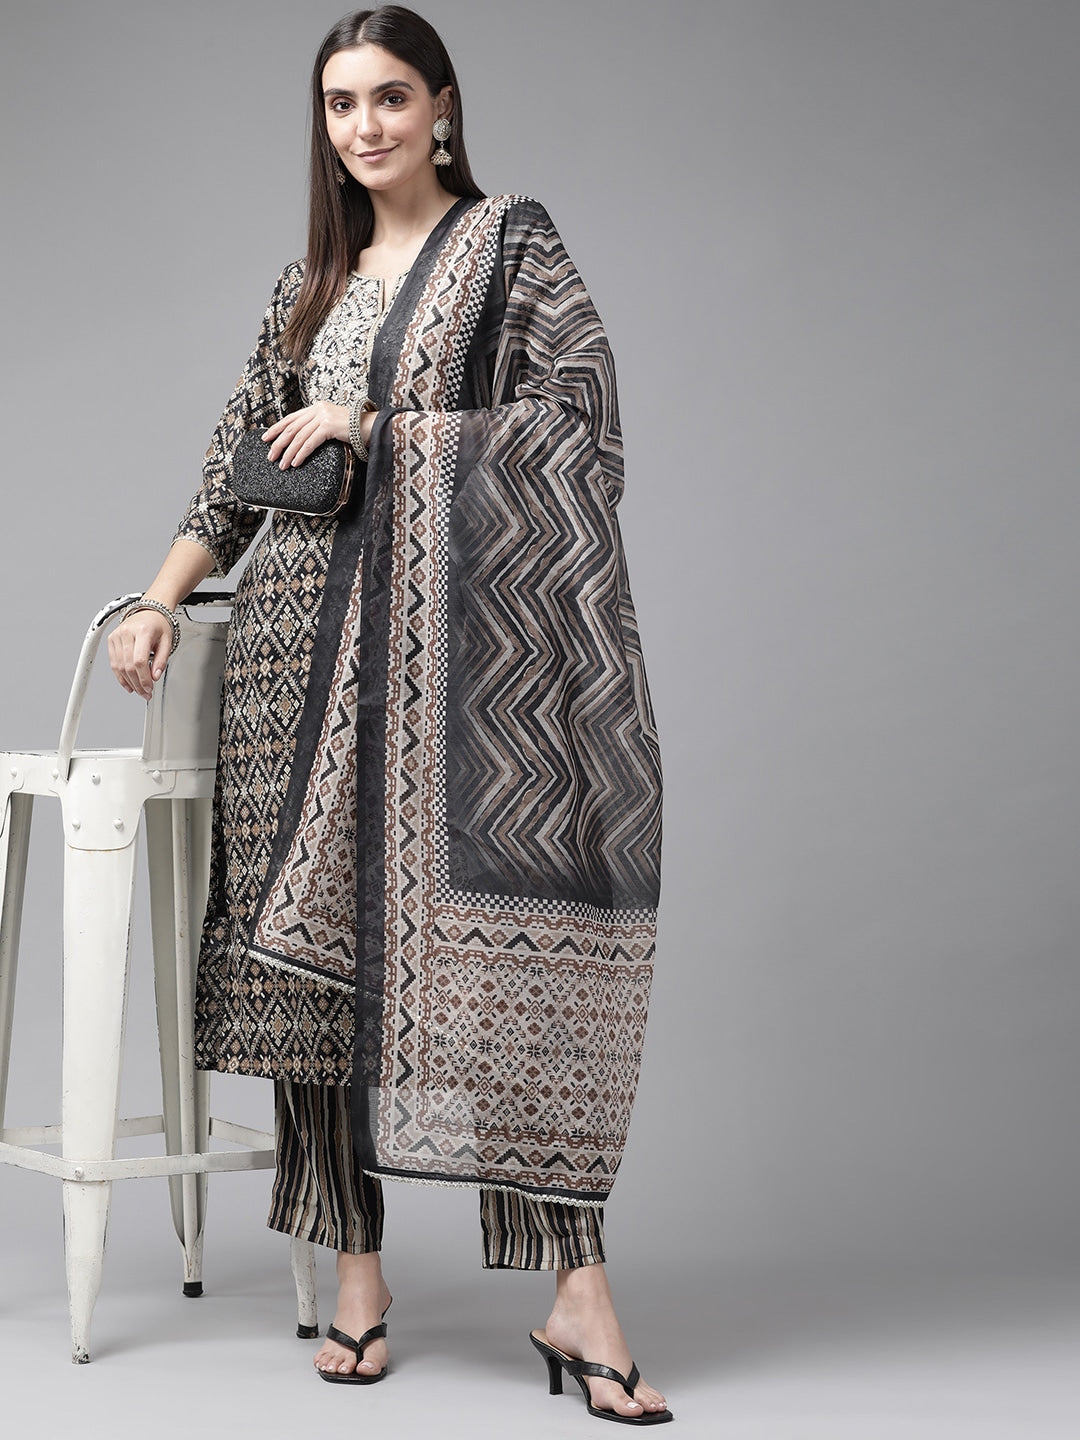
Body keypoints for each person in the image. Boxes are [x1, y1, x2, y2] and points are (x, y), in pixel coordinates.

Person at [108, 5, 668, 1424]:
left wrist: (384, 430)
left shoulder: (511, 249)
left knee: (507, 991)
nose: (365, 126)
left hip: (457, 676)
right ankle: (355, 1274)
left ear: (443, 105)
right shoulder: (308, 285)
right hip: (293, 663)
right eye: (341, 103)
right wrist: (158, 598)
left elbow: (582, 422)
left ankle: (577, 1289)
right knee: (311, 991)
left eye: (390, 97)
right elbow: (233, 469)